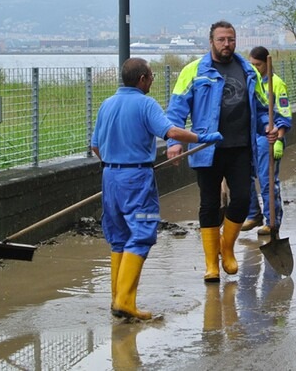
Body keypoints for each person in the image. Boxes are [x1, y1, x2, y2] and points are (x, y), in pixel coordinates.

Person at [91, 57, 222, 320]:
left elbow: (95, 146)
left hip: (109, 177)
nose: (152, 80)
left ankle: (117, 299)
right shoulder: (145, 103)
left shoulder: (107, 104)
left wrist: (113, 162)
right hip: (136, 178)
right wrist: (202, 137)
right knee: (141, 232)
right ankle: (125, 302)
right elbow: (171, 132)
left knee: (118, 237)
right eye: (151, 76)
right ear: (142, 79)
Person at [165, 21, 291, 283]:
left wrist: (270, 126)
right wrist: (173, 142)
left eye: (231, 39)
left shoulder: (247, 70)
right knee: (209, 205)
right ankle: (212, 263)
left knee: (242, 200)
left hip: (240, 148)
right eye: (221, 39)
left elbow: (260, 108)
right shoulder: (193, 71)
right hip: (206, 148)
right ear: (211, 41)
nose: (227, 44)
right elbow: (176, 110)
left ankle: (227, 247)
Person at [241, 46, 292, 235]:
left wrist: (279, 137)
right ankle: (253, 214)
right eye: (251, 64)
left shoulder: (276, 84)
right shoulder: (249, 82)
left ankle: (272, 221)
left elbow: (284, 113)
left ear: (266, 64)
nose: (254, 68)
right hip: (250, 136)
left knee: (267, 180)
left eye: (258, 65)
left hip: (268, 137)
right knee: (243, 176)